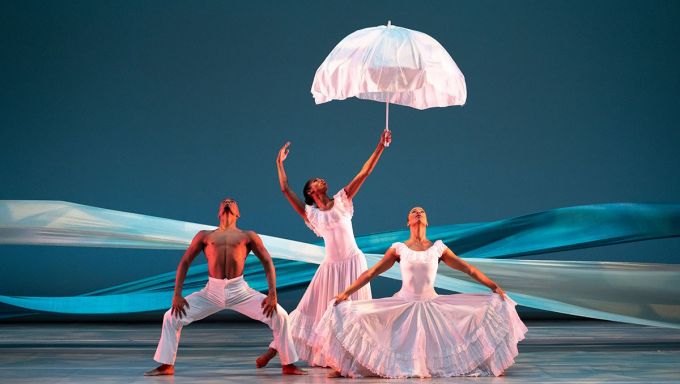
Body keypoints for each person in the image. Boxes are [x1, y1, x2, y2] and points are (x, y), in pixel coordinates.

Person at [314, 206, 527, 378]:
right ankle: (346, 366)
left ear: (426, 221)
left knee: (476, 315)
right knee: (358, 316)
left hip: (432, 304)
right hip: (404, 303)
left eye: (422, 211)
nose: (418, 213)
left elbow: (468, 268)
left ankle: (488, 361)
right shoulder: (398, 248)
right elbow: (370, 273)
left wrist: (493, 286)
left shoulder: (438, 248)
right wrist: (346, 292)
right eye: (413, 211)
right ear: (408, 221)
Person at [256, 130, 392, 368]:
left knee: (354, 314)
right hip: (329, 269)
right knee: (305, 311)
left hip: (353, 264)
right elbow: (285, 189)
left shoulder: (343, 199)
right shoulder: (311, 215)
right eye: (317, 180)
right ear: (310, 191)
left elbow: (365, 172)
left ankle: (350, 360)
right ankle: (272, 351)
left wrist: (380, 145)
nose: (323, 180)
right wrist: (279, 163)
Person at [144, 198, 306, 376]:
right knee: (171, 316)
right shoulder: (205, 236)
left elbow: (267, 262)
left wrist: (272, 293)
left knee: (280, 315)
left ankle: (288, 364)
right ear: (219, 212)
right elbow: (185, 262)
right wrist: (177, 294)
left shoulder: (248, 235)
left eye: (233, 201)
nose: (228, 202)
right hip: (211, 292)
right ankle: (166, 365)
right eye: (224, 202)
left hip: (240, 291)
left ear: (238, 213)